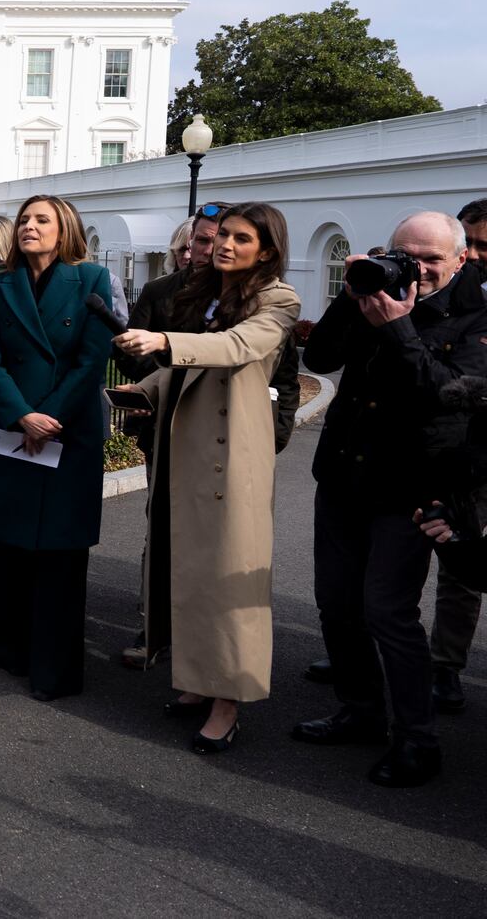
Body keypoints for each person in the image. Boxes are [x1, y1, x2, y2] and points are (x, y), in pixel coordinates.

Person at [294, 210, 487, 788]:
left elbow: (449, 395)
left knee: (389, 612)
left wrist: (400, 327)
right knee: (336, 602)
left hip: (414, 486)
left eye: (432, 259)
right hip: (346, 474)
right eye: (408, 254)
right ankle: (359, 710)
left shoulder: (478, 312)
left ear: (461, 259)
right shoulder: (375, 290)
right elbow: (321, 360)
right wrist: (354, 293)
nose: (419, 269)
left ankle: (416, 740)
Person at [113, 203, 300, 754]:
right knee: (187, 569)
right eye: (222, 235)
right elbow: (184, 369)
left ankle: (228, 701)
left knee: (227, 577)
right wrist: (140, 391)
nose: (225, 245)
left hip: (232, 454)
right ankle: (196, 682)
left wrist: (164, 340)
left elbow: (238, 348)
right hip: (182, 445)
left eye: (242, 239)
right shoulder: (206, 294)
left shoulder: (278, 300)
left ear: (266, 250)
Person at [0, 194, 116, 701]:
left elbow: (92, 361)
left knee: (60, 551)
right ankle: (8, 650)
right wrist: (21, 415)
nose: (29, 227)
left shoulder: (92, 279)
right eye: (25, 219)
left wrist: (48, 418)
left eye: (41, 220)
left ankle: (54, 669)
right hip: (11, 426)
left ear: (64, 229)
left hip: (67, 432)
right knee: (9, 543)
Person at [429, 197, 487, 713]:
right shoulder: (449, 290)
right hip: (441, 445)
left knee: (462, 566)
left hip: (480, 455)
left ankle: (446, 666)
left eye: (484, 244)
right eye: (468, 242)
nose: (474, 252)